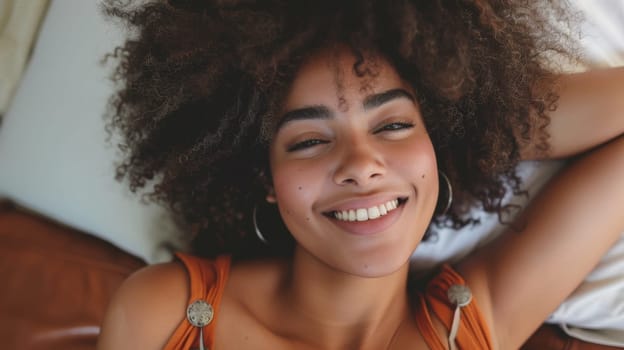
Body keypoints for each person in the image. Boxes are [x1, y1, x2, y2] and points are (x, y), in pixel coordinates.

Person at [97, 0, 624, 349]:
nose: (361, 164)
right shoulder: (161, 315)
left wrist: (486, 124)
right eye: (308, 141)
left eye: (394, 125)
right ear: (265, 179)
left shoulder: (470, 324)